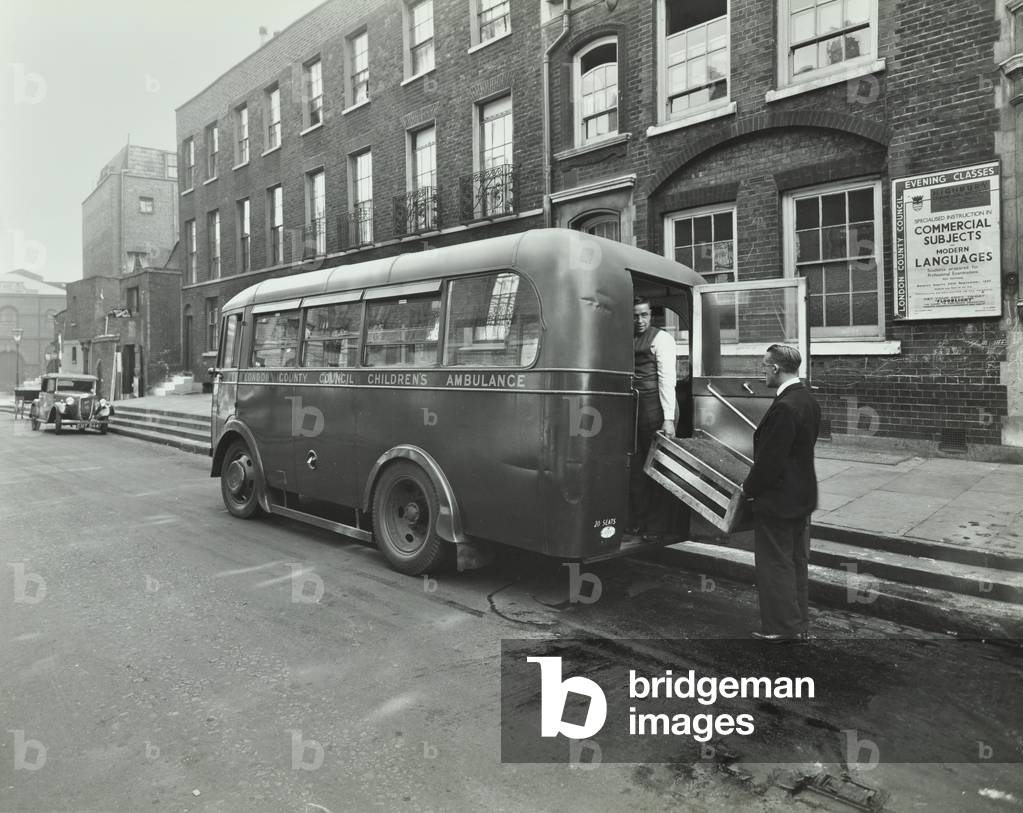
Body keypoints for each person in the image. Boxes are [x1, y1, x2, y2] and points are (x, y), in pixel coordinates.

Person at [742, 344, 821, 642]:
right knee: (795, 561)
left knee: (775, 564)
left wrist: (749, 490)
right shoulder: (807, 400)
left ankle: (780, 627)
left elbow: (770, 462)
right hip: (801, 496)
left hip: (778, 499)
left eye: (764, 365)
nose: (762, 370)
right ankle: (797, 622)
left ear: (775, 368)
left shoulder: (785, 406)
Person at [628, 296, 677, 540]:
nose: (640, 320)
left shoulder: (662, 339)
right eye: (635, 315)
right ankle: (639, 521)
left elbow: (667, 380)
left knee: (655, 467)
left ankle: (658, 527)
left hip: (653, 408)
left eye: (644, 314)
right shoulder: (623, 337)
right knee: (634, 467)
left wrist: (668, 418)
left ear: (651, 314)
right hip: (631, 407)